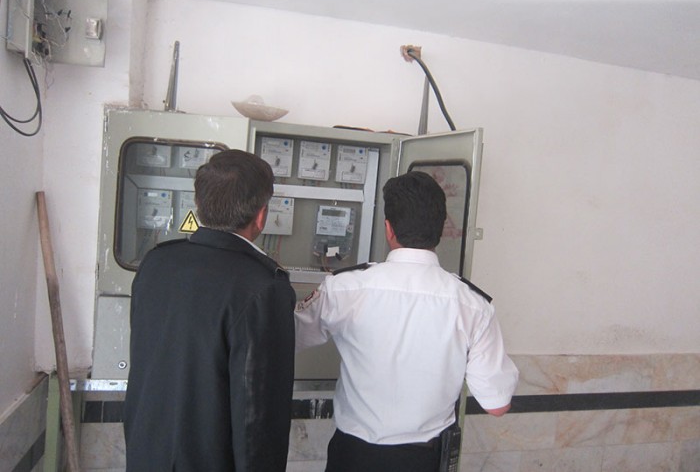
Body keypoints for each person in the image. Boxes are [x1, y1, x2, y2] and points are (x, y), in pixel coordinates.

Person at [295, 170, 519, 472]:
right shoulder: (473, 305)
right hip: (423, 459)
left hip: (354, 456)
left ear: (389, 229)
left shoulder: (344, 288)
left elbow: (286, 336)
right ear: (441, 229)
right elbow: (497, 405)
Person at [123, 149, 296, 472]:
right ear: (261, 216)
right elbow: (258, 417)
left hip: (146, 455)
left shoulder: (156, 263)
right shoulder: (263, 287)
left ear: (199, 206)